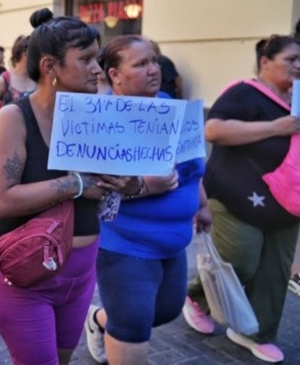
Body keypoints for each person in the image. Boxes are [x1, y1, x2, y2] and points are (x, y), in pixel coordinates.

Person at [0, 9, 138, 365]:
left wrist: (132, 184)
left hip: (80, 275)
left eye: (97, 59)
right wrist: (76, 183)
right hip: (24, 279)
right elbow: (2, 201)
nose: (97, 69)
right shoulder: (14, 118)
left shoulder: (97, 115)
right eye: (85, 59)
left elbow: (119, 183)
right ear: (50, 66)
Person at [81, 35, 212, 365]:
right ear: (115, 75)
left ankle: (98, 320)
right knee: (132, 325)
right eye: (141, 64)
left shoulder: (170, 104)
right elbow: (91, 186)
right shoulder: (100, 118)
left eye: (154, 60)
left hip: (174, 243)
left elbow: (192, 166)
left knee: (165, 310)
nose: (154, 69)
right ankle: (115, 330)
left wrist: (202, 204)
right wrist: (145, 186)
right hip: (127, 246)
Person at [182, 34, 300, 363]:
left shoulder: (297, 98)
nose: (298, 66)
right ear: (265, 61)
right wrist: (276, 128)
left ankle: (256, 332)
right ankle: (197, 297)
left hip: (288, 202)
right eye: (291, 59)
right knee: (241, 259)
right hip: (236, 196)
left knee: (275, 272)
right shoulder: (245, 93)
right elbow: (213, 130)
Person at [0, 35, 37, 121]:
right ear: (24, 53)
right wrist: (9, 118)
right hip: (10, 128)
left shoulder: (37, 78)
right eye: (36, 53)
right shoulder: (4, 80)